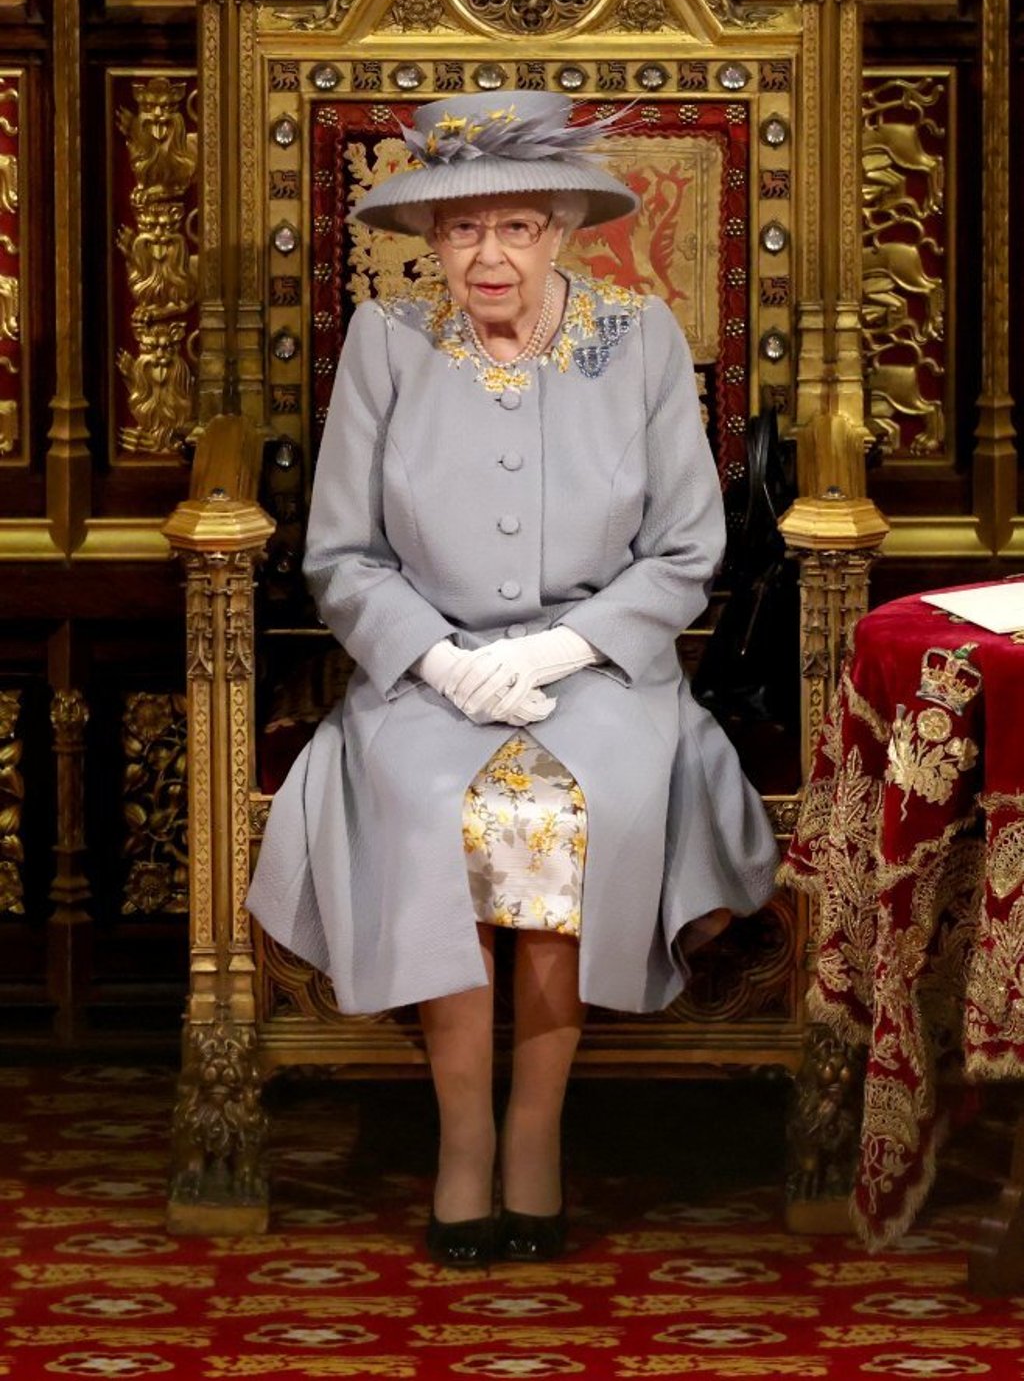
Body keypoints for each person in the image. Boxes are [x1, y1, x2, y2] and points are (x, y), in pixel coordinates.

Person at [246, 90, 778, 1265]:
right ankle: (463, 1138)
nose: (489, 255)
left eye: (517, 227)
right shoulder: (386, 341)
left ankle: (533, 1131)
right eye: (461, 229)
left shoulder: (638, 336)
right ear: (430, 240)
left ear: (561, 229)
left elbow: (686, 549)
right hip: (422, 675)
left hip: (604, 674)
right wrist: (437, 656)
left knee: (561, 815)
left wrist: (561, 648)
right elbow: (341, 554)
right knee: (440, 812)